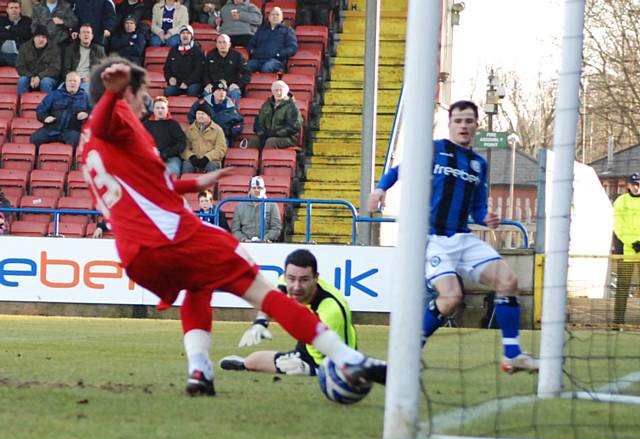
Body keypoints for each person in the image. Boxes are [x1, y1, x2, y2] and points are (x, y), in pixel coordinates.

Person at [80, 57, 386, 395]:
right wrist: (112, 93)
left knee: (198, 286)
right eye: (141, 92)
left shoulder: (90, 142)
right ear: (124, 93)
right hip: (170, 238)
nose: (146, 100)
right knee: (260, 287)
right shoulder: (116, 117)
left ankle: (199, 370)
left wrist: (194, 184)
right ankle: (347, 358)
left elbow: (142, 187)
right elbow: (108, 117)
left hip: (137, 258)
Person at [368, 100, 538, 374]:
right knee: (451, 298)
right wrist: (379, 190)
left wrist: (486, 217)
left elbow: (477, 207)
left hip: (463, 237)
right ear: (450, 124)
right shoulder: (435, 150)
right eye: (458, 120)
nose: (463, 126)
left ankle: (513, 354)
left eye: (469, 121)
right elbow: (399, 170)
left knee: (508, 281)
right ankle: (409, 352)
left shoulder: (478, 164)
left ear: (476, 126)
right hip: (432, 238)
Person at [219, 249, 357, 376]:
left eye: (304, 280)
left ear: (316, 277)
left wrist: (309, 370)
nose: (296, 286)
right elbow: (271, 297)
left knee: (301, 367)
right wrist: (261, 322)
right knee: (253, 361)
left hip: (330, 355)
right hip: (307, 346)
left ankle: (305, 366)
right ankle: (244, 364)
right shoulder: (287, 282)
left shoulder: (332, 311)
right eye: (291, 279)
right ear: (285, 276)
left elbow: (343, 361)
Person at [30, 71, 91, 147]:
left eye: (75, 81)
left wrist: (86, 114)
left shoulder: (85, 97)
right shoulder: (54, 94)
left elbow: (93, 112)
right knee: (35, 138)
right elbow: (41, 110)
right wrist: (45, 118)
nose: (72, 83)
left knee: (76, 140)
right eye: (70, 81)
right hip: (50, 129)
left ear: (79, 83)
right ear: (65, 82)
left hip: (72, 130)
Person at [612, 172, 640, 325]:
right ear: (628, 185)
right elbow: (618, 226)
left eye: (639, 184)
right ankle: (618, 322)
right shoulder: (621, 202)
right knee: (623, 288)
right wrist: (632, 242)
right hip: (626, 252)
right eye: (634, 184)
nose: (637, 187)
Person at [249, 80, 302, 151]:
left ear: (286, 91)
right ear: (272, 92)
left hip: (288, 138)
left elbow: (294, 126)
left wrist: (274, 133)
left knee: (271, 142)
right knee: (254, 140)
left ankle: (267, 162)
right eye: (276, 90)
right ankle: (250, 162)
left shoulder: (292, 106)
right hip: (268, 135)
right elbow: (258, 121)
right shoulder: (266, 104)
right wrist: (261, 133)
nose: (278, 93)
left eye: (281, 90)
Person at [187, 80, 243, 146]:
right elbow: (191, 117)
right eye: (218, 90)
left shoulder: (232, 108)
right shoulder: (202, 104)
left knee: (222, 143)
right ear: (213, 92)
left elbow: (239, 124)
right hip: (203, 135)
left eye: (224, 91)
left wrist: (228, 132)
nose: (221, 93)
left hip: (222, 137)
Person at [143, 95, 186, 177]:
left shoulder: (173, 124)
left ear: (167, 110)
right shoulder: (146, 125)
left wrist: (166, 153)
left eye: (162, 108)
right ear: (153, 109)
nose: (160, 110)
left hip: (171, 158)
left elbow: (181, 143)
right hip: (152, 157)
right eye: (157, 108)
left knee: (170, 174)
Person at [203, 33, 250, 105]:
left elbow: (247, 73)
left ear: (229, 44)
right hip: (214, 86)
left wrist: (238, 85)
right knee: (207, 92)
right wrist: (207, 83)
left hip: (230, 86)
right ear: (216, 44)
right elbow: (204, 72)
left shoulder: (237, 56)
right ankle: (210, 115)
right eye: (219, 42)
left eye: (224, 42)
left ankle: (233, 115)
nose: (222, 45)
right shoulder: (210, 55)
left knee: (235, 92)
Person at [181, 101, 227, 174]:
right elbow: (184, 148)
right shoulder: (190, 130)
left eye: (203, 114)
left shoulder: (218, 130)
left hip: (212, 160)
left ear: (209, 116)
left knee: (212, 166)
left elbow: (221, 149)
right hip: (194, 159)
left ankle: (212, 185)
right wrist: (191, 157)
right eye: (198, 114)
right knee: (187, 165)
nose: (200, 116)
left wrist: (207, 157)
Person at [232, 175, 282, 243]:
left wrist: (264, 239)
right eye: (254, 188)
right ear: (249, 190)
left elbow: (276, 229)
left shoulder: (272, 205)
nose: (257, 190)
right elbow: (235, 230)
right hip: (245, 244)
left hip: (266, 244)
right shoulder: (239, 206)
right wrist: (244, 239)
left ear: (264, 189)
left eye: (259, 188)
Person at [247, 6, 296, 73]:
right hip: (258, 59)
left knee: (267, 67)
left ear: (282, 18)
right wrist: (252, 51)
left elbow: (292, 48)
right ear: (269, 17)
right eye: (273, 14)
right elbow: (251, 43)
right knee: (245, 67)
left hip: (276, 61)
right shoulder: (261, 30)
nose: (275, 16)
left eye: (277, 15)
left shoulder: (287, 30)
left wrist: (279, 54)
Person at [16, 25, 61, 96]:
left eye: (44, 37)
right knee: (22, 81)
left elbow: (55, 69)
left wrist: (39, 77)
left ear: (47, 39)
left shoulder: (54, 49)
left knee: (45, 82)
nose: (41, 39)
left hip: (48, 78)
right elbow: (20, 67)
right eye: (38, 36)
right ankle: (22, 105)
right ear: (34, 38)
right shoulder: (24, 47)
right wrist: (31, 76)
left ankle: (46, 105)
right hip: (30, 78)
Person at [62, 23, 107, 92]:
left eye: (88, 32)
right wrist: (73, 78)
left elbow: (103, 70)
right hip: (72, 80)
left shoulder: (99, 50)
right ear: (79, 36)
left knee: (85, 92)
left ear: (92, 36)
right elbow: (65, 69)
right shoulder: (70, 49)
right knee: (59, 92)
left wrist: (92, 77)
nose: (86, 34)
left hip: (89, 81)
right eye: (83, 32)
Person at [163, 24, 204, 97]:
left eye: (188, 33)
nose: (185, 35)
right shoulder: (173, 50)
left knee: (192, 90)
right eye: (183, 33)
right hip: (177, 83)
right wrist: (170, 78)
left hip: (192, 83)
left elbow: (199, 70)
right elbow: (167, 67)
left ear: (192, 36)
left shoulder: (198, 50)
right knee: (168, 91)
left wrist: (187, 83)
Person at [0, 1, 33, 67]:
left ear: (20, 9)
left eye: (16, 8)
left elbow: (25, 34)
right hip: (2, 53)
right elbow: (1, 34)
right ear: (7, 10)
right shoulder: (1, 20)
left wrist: (10, 28)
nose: (14, 10)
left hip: (19, 54)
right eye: (11, 8)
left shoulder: (27, 21)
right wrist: (16, 32)